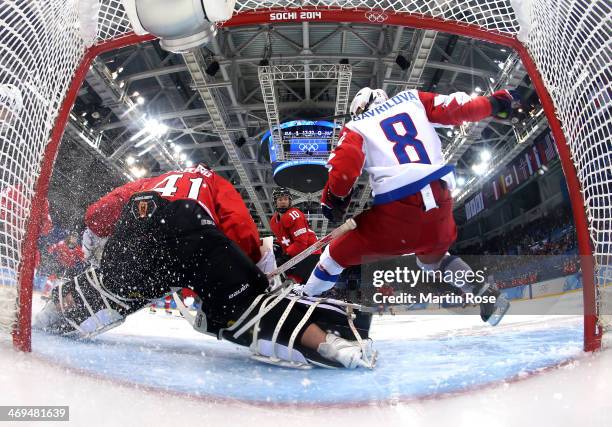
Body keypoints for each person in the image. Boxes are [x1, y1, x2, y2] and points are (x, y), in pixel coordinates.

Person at [34, 164, 375, 369]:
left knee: (109, 289)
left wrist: (94, 236)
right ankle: (330, 344)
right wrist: (255, 272)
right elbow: (241, 229)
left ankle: (49, 317)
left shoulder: (158, 178)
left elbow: (102, 211)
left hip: (138, 220)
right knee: (249, 310)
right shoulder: (214, 182)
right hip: (190, 228)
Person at [303, 87, 517, 325]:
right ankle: (485, 293)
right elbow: (458, 109)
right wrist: (495, 103)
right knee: (432, 260)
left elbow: (344, 170)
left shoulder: (357, 124)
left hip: (399, 210)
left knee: (333, 255)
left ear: (361, 108)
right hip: (440, 201)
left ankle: (302, 302)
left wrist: (333, 200)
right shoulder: (412, 98)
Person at [269, 187, 320, 283]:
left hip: (310, 252)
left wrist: (285, 256)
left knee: (300, 282)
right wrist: (277, 247)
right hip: (295, 255)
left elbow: (301, 243)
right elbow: (284, 241)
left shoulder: (294, 215)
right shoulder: (273, 221)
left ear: (289, 201)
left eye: (285, 199)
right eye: (280, 199)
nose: (283, 202)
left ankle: (301, 286)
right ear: (275, 202)